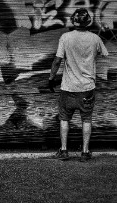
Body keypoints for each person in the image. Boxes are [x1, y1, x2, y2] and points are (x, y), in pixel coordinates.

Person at [49, 8, 109, 162]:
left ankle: (64, 150)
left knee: (64, 119)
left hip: (68, 87)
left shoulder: (65, 37)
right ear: (88, 21)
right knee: (86, 119)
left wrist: (51, 78)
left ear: (73, 21)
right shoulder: (95, 38)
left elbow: (57, 60)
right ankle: (85, 152)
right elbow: (105, 55)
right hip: (87, 88)